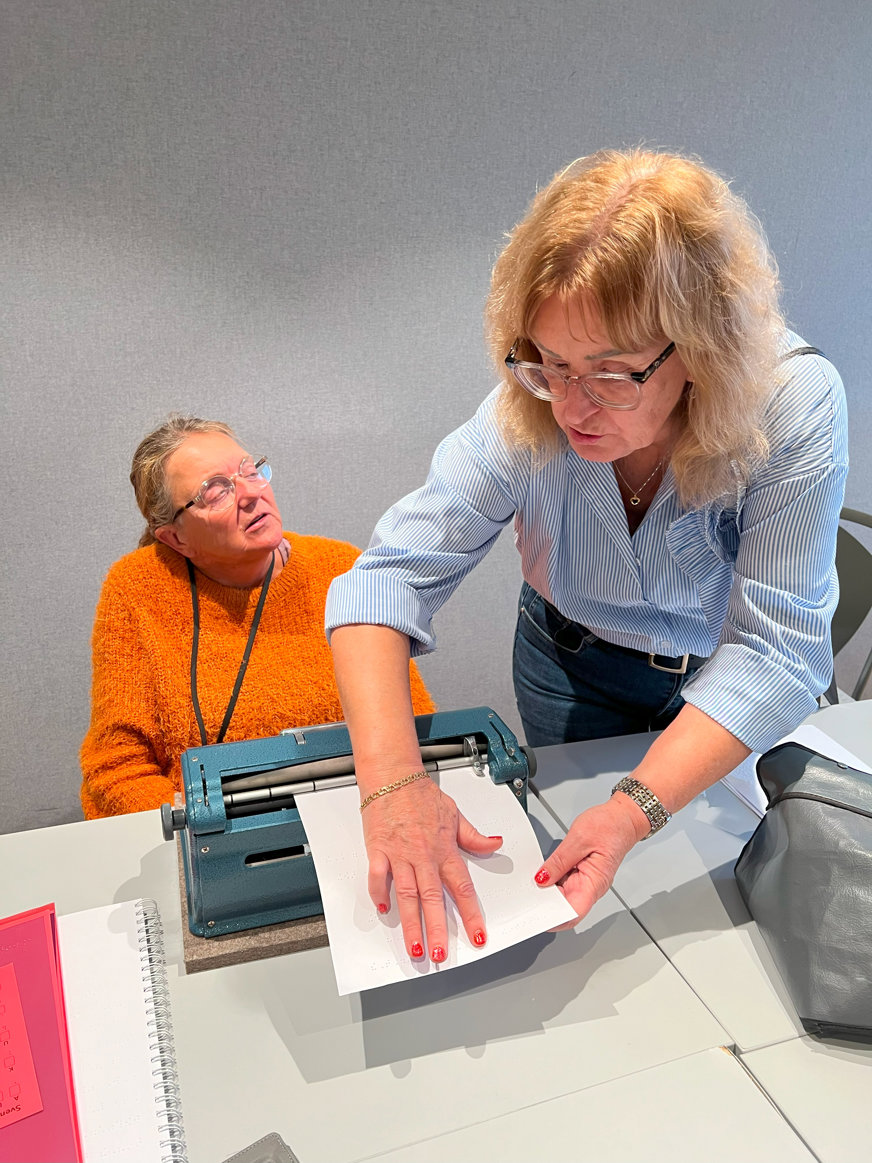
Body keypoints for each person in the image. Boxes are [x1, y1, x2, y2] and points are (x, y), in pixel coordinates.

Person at [325, 147, 848, 965]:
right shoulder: (524, 408)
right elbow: (381, 585)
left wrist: (634, 805)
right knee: (574, 908)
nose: (570, 406)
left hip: (724, 676)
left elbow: (777, 650)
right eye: (550, 365)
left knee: (725, 918)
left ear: (699, 349)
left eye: (610, 374)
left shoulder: (793, 401)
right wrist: (392, 786)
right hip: (571, 662)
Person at [80, 415, 434, 818]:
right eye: (216, 491)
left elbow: (413, 724)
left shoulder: (341, 569)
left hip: (353, 815)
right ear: (175, 538)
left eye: (250, 470)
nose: (251, 493)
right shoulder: (138, 587)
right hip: (206, 837)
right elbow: (118, 767)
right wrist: (194, 829)